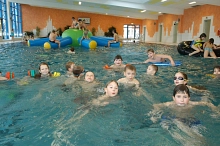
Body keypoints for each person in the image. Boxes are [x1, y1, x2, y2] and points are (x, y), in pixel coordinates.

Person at [149, 84, 218, 146]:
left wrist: (215, 110)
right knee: (169, 129)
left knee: (200, 138)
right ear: (173, 98)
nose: (182, 100)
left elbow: (207, 104)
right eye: (178, 96)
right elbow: (155, 105)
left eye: (185, 97)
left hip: (190, 121)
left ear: (189, 98)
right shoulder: (170, 104)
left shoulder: (192, 104)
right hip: (172, 119)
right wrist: (154, 114)